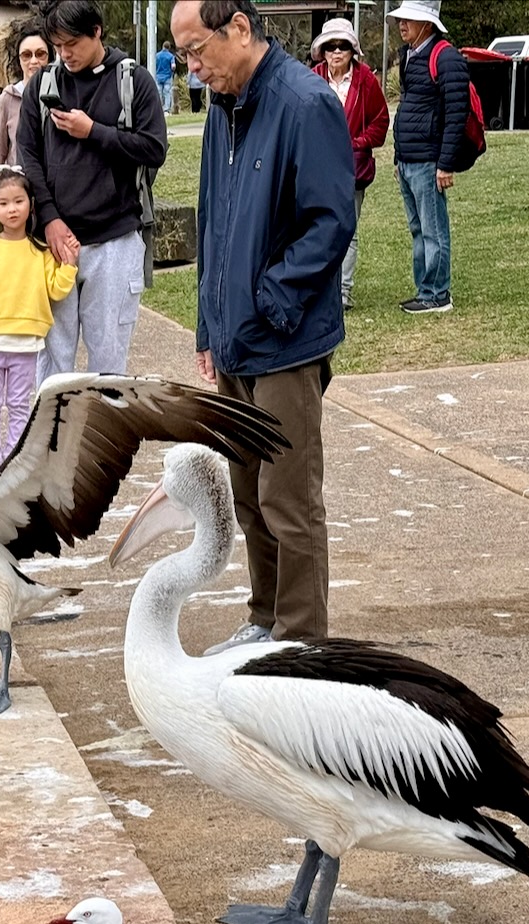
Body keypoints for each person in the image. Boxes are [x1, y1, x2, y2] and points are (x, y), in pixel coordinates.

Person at [170, 0, 355, 649]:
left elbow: (331, 222)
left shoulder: (305, 104)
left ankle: (301, 640)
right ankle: (264, 619)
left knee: (288, 499)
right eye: (185, 56)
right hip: (236, 343)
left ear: (240, 29)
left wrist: (271, 303)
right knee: (247, 492)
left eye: (198, 52)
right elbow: (213, 223)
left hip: (286, 341)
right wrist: (208, 326)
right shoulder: (223, 110)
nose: (194, 69)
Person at [14, 0, 168, 384]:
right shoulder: (42, 84)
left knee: (109, 365)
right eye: (58, 45)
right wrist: (48, 218)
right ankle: (52, 443)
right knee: (51, 366)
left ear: (97, 31)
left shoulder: (133, 81)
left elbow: (154, 148)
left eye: (73, 44)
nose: (65, 54)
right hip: (54, 244)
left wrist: (93, 132)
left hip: (114, 242)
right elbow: (28, 154)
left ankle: (104, 443)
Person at [0, 165, 80, 465]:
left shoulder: (41, 252)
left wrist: (69, 263)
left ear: (31, 204)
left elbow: (56, 290)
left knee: (18, 405)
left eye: (18, 201)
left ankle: (13, 460)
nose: (12, 209)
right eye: (3, 203)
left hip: (26, 346)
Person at [389, 0, 467, 314]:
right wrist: (398, 155)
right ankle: (426, 290)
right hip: (409, 159)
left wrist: (445, 163)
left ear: (427, 24)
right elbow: (408, 108)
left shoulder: (446, 57)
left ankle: (437, 293)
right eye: (401, 19)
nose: (402, 25)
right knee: (419, 229)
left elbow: (455, 115)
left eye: (409, 19)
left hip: (428, 161)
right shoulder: (408, 56)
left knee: (433, 230)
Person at [309, 18, 389, 311]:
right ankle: (321, 289)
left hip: (353, 171)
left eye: (343, 46)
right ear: (323, 51)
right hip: (318, 170)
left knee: (348, 231)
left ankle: (343, 292)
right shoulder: (313, 78)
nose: (337, 52)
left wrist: (355, 143)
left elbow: (381, 123)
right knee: (317, 228)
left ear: (352, 50)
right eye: (331, 46)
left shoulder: (366, 79)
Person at [0, 19, 52, 227]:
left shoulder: (62, 95)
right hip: (19, 200)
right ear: (18, 60)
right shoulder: (8, 100)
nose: (34, 61)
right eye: (26, 55)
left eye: (40, 54)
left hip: (56, 197)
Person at [155, 40, 177, 113]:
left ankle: (159, 108)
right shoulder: (171, 56)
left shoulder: (157, 55)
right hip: (167, 76)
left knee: (159, 93)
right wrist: (172, 70)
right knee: (167, 93)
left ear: (163, 47)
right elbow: (173, 66)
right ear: (169, 48)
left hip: (158, 76)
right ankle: (166, 109)